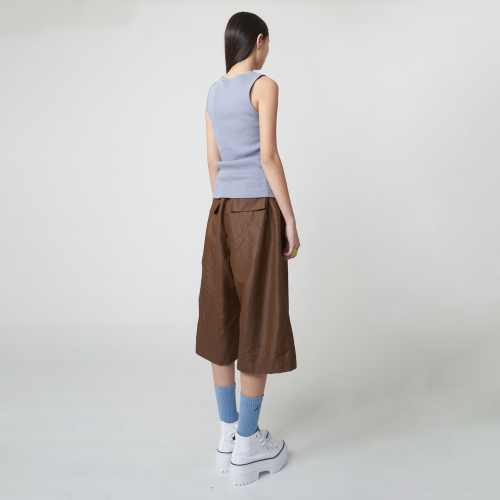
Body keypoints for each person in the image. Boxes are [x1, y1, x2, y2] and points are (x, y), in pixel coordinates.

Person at [195, 11, 300, 486]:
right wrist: (289, 219)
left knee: (222, 315)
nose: (268, 51)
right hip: (258, 211)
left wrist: (225, 205)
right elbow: (268, 155)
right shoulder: (264, 85)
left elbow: (212, 162)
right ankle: (249, 443)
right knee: (258, 317)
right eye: (267, 44)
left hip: (220, 212)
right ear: (259, 41)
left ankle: (227, 436)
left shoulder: (213, 92)